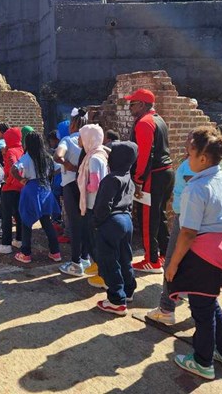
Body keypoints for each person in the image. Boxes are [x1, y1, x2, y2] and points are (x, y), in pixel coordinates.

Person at [165, 126, 222, 381]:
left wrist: (173, 264)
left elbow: (187, 233)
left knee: (202, 312)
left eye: (189, 154)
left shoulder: (196, 189)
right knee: (209, 302)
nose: (187, 159)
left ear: (203, 159)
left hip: (201, 257)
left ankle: (202, 360)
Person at [146, 132, 196, 326]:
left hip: (186, 219)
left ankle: (166, 308)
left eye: (190, 142)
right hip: (187, 217)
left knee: (172, 262)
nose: (185, 143)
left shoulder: (193, 169)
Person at [125, 89, 174, 273]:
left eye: (133, 104)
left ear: (143, 105)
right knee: (158, 216)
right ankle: (164, 254)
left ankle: (151, 260)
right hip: (166, 172)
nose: (130, 107)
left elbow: (144, 155)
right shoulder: (159, 120)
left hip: (152, 176)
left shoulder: (144, 123)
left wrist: (138, 179)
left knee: (147, 219)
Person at [93, 141, 138, 316]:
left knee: (109, 261)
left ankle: (116, 300)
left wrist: (97, 223)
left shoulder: (111, 179)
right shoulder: (128, 176)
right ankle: (128, 290)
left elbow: (103, 205)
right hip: (126, 221)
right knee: (125, 257)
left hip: (111, 222)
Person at [13, 131, 62, 263]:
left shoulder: (27, 156)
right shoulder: (46, 156)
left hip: (31, 189)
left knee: (26, 222)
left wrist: (22, 180)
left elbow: (14, 169)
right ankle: (55, 252)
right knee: (47, 222)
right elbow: (58, 168)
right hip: (45, 188)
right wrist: (49, 174)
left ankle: (26, 253)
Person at [56, 109, 92, 277]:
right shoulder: (90, 140)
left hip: (71, 185)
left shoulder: (68, 140)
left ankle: (76, 263)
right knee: (86, 223)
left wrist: (69, 165)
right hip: (88, 185)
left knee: (75, 224)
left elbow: (58, 156)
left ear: (72, 124)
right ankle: (85, 258)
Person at [76, 124, 109, 289]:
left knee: (94, 239)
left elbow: (94, 184)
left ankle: (104, 275)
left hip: (93, 205)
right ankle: (98, 265)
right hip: (93, 204)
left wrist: (84, 186)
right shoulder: (96, 154)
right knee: (92, 239)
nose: (78, 139)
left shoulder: (94, 158)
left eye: (81, 136)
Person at [0, 127, 24, 254]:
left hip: (10, 188)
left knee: (6, 217)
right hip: (20, 188)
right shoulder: (20, 149)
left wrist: (8, 180)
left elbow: (14, 166)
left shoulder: (10, 151)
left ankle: (6, 244)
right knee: (18, 215)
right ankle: (19, 239)